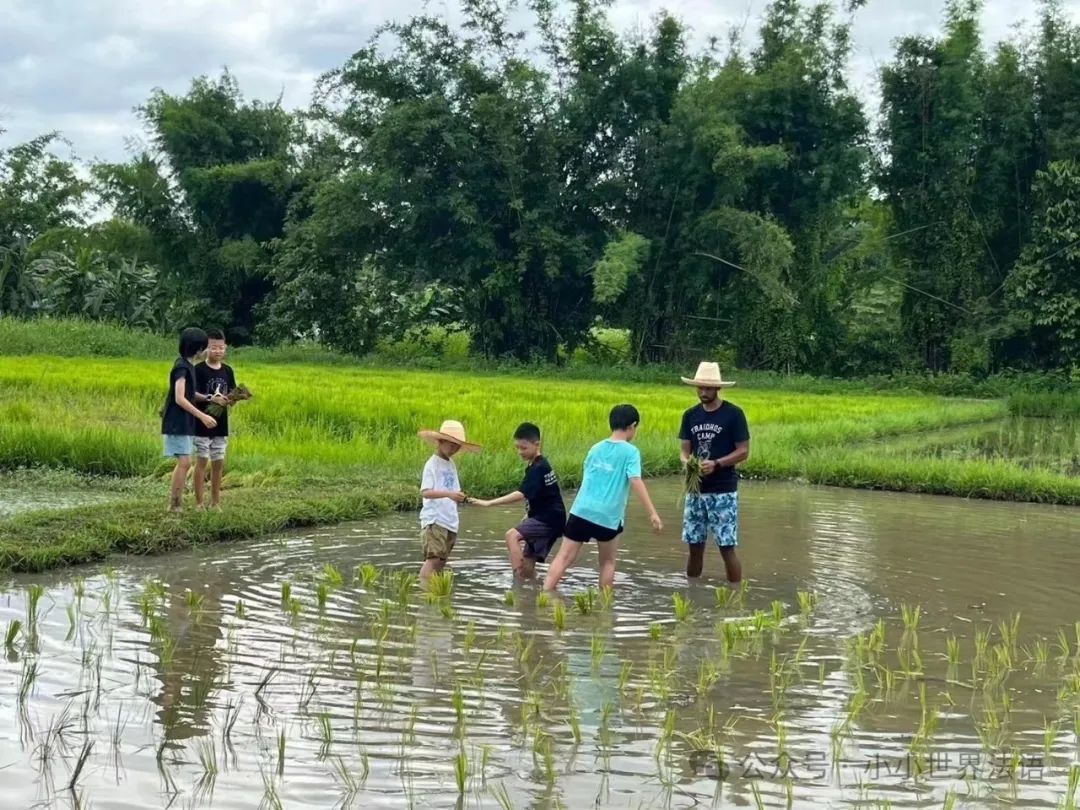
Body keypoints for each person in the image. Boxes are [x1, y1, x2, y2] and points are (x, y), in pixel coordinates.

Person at [543, 404, 663, 592]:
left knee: (563, 557)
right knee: (607, 562)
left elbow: (588, 478)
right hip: (608, 516)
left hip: (581, 510)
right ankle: (605, 609)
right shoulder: (631, 452)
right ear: (632, 426)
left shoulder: (595, 448)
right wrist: (653, 513)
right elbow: (635, 481)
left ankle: (544, 595)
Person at [678, 362, 750, 583]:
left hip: (723, 491)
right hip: (696, 491)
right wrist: (689, 464)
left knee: (726, 547)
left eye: (708, 388)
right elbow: (684, 451)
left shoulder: (733, 414)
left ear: (718, 389)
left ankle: (735, 595)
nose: (703, 392)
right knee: (694, 547)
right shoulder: (690, 415)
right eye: (700, 387)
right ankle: (691, 593)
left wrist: (717, 464)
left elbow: (743, 451)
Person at [469, 422, 566, 579]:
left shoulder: (538, 467)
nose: (520, 452)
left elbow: (522, 494)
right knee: (528, 564)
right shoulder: (539, 464)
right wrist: (529, 515)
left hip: (548, 520)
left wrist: (489, 503)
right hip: (552, 518)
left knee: (511, 536)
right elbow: (543, 495)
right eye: (517, 447)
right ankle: (531, 590)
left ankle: (516, 582)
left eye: (524, 448)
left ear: (537, 444)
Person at [417, 420, 481, 580]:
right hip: (435, 519)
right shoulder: (432, 465)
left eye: (457, 445)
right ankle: (425, 593)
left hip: (450, 520)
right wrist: (449, 494)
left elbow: (454, 490)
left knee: (441, 562)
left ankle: (435, 593)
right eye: (451, 444)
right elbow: (426, 492)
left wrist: (461, 497)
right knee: (433, 560)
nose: (455, 448)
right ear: (440, 441)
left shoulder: (450, 464)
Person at [161, 328, 217, 512]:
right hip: (178, 422)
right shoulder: (182, 367)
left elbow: (190, 394)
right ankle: (175, 505)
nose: (208, 351)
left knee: (185, 462)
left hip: (184, 422)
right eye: (206, 347)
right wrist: (202, 416)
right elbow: (180, 397)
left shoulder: (188, 366)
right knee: (184, 463)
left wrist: (210, 398)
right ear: (198, 349)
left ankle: (175, 504)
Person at [193, 329, 235, 509]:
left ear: (225, 349)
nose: (217, 351)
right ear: (206, 349)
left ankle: (215, 502)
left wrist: (233, 399)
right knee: (202, 461)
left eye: (220, 348)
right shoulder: (198, 370)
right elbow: (191, 394)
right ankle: (199, 503)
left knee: (218, 462)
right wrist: (211, 398)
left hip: (221, 423)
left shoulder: (228, 370)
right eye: (213, 348)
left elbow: (231, 393)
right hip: (201, 422)